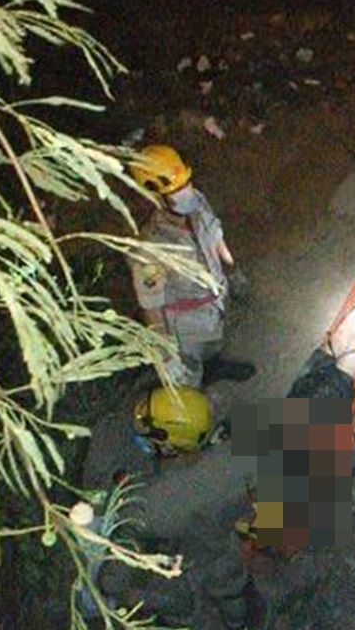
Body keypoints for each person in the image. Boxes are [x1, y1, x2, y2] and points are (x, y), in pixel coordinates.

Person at [126, 385, 262, 629]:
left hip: (208, 548)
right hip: (227, 527)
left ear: (170, 444)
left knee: (224, 583)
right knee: (231, 580)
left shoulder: (157, 499)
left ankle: (239, 621)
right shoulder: (230, 456)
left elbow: (133, 523)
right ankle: (242, 617)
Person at [129, 144, 255, 387]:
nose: (186, 194)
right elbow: (151, 306)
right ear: (154, 197)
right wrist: (166, 356)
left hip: (215, 304)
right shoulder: (151, 247)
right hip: (186, 326)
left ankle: (215, 368)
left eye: (186, 184)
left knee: (214, 346)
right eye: (176, 191)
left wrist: (232, 270)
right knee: (190, 380)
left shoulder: (197, 203)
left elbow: (216, 236)